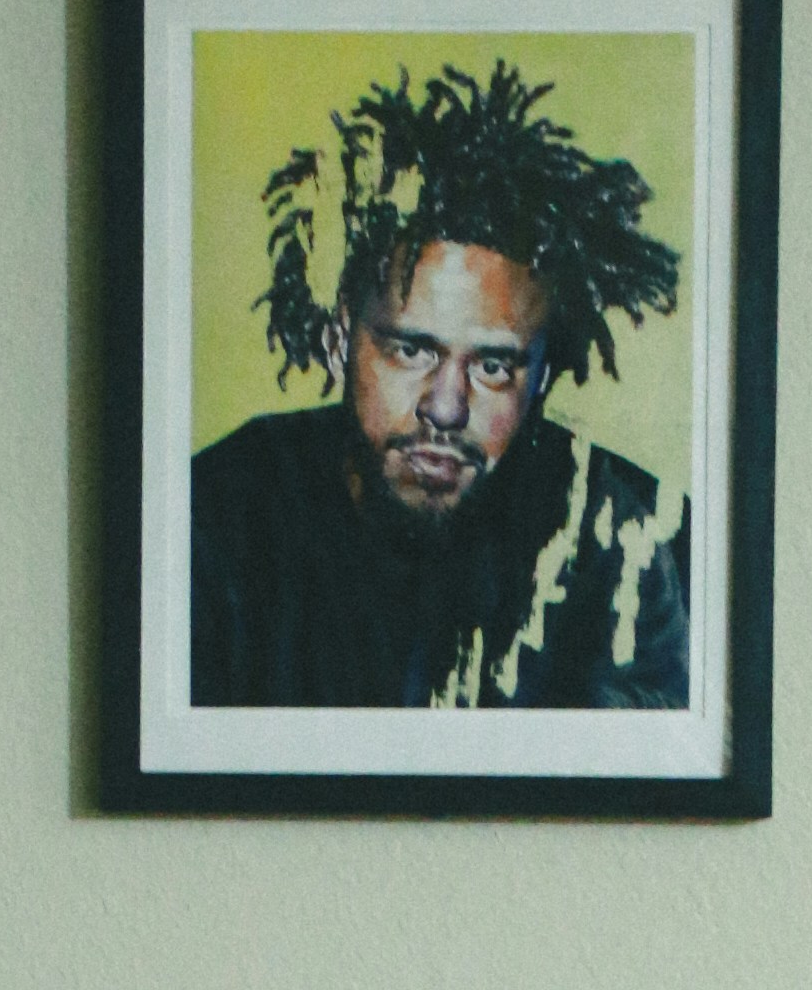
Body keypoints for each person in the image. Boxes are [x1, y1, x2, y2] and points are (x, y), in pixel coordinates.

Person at [191, 61, 692, 710]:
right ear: (340, 338)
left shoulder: (620, 540)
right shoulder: (218, 517)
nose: (446, 408)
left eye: (493, 367)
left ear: (542, 377)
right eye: (411, 350)